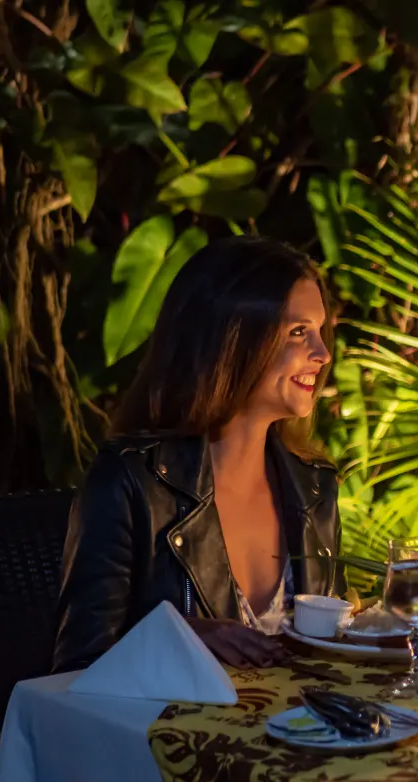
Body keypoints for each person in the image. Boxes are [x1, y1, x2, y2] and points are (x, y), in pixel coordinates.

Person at [52, 237, 343, 673]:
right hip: (167, 737)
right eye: (298, 332)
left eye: (320, 332)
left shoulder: (314, 486)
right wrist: (179, 638)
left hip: (303, 734)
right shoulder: (133, 482)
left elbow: (340, 646)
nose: (323, 355)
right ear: (231, 339)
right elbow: (78, 667)